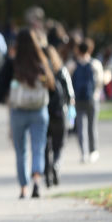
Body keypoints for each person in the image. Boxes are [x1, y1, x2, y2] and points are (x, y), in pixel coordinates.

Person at [0, 29, 54, 199]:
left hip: (18, 111)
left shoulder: (13, 64)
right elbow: (53, 86)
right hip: (39, 110)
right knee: (38, 147)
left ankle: (23, 187)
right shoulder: (42, 62)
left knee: (20, 151)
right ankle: (37, 180)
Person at [43, 44, 74, 187]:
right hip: (60, 113)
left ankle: (47, 173)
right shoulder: (62, 71)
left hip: (44, 112)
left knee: (45, 145)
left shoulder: (42, 73)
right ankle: (56, 164)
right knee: (59, 145)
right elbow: (70, 94)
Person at [71, 39, 105, 164]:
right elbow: (101, 81)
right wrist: (96, 94)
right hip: (92, 99)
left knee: (80, 127)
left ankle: (83, 152)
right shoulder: (95, 64)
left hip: (78, 99)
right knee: (92, 126)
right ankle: (93, 151)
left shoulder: (73, 65)